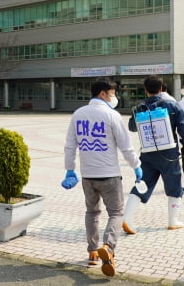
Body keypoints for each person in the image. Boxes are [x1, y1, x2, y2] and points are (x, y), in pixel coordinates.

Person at [63, 78, 141, 277]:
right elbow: (126, 146)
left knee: (92, 212)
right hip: (109, 175)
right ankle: (108, 247)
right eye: (112, 93)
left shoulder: (78, 114)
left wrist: (70, 169)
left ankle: (92, 252)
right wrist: (136, 166)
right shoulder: (111, 115)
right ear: (102, 94)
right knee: (116, 213)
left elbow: (70, 145)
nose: (114, 97)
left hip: (88, 176)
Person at [122, 75, 184, 235]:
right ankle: (172, 221)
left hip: (148, 153)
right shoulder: (172, 105)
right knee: (174, 185)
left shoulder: (139, 107)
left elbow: (132, 127)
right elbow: (183, 127)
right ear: (161, 89)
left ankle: (127, 218)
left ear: (145, 90)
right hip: (168, 153)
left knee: (142, 184)